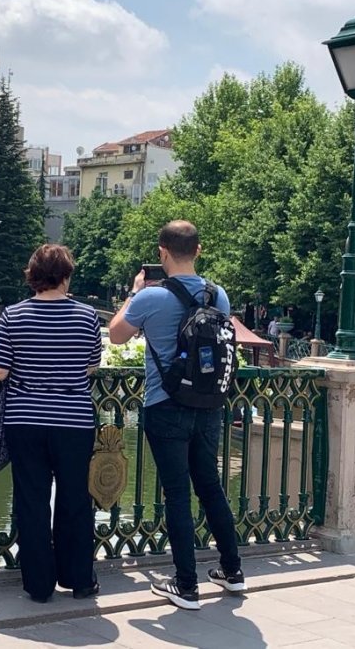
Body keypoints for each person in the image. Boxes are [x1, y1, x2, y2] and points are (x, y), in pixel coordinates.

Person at [108, 220, 245, 610]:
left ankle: (186, 584)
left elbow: (117, 334)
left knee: (176, 493)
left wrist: (132, 293)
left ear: (161, 253)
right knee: (210, 486)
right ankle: (232, 571)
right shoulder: (219, 296)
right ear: (198, 251)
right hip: (209, 406)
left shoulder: (151, 297)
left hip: (165, 404)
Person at [0, 244, 102, 603]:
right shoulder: (87, 316)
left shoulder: (13, 316)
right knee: (75, 499)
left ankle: (39, 585)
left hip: (26, 421)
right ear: (66, 276)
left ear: (33, 275)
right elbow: (92, 366)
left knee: (32, 501)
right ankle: (79, 579)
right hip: (74, 421)